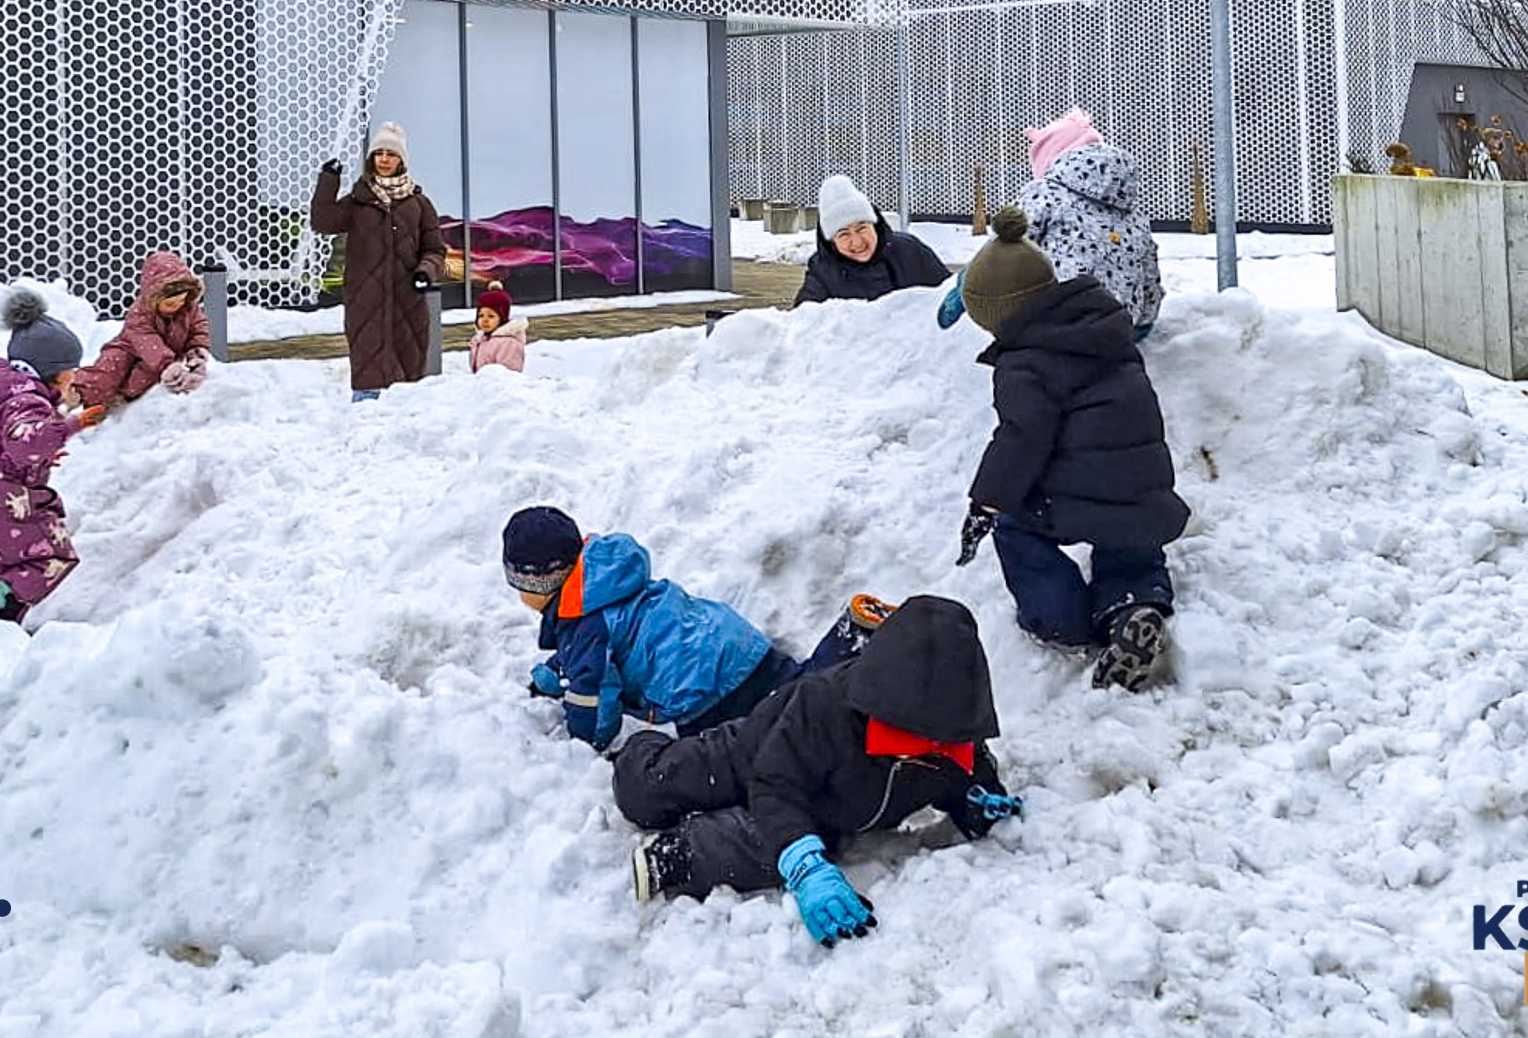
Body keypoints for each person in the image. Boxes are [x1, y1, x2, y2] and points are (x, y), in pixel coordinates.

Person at [613, 595, 1022, 946]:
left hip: (831, 807)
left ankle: (680, 854)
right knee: (646, 791)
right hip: (754, 752)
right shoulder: (825, 704)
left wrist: (978, 803)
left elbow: (969, 777)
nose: (931, 751)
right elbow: (775, 785)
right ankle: (645, 744)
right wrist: (805, 865)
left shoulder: (951, 736)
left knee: (776, 845)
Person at [952, 207, 1191, 693]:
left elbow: (1021, 439)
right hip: (1142, 482)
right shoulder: (1101, 326)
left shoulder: (1023, 364)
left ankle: (1062, 620)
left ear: (1000, 314)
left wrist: (988, 502)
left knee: (1017, 529)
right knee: (1129, 533)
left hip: (1076, 492)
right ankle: (1131, 603)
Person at [502, 506, 889, 751]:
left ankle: (854, 667)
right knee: (796, 684)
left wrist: (584, 743)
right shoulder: (600, 581)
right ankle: (853, 635)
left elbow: (594, 693)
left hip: (706, 688)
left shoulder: (586, 626)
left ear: (541, 583)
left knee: (771, 731)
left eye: (518, 585)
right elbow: (582, 661)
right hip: (730, 642)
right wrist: (550, 677)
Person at [0, 289, 105, 626]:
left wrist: (38, 460)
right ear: (51, 371)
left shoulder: (10, 396)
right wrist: (71, 425)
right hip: (5, 505)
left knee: (16, 568)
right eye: (71, 370)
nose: (75, 377)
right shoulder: (29, 401)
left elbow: (7, 446)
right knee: (51, 558)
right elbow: (25, 440)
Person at [310, 122, 448, 400]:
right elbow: (322, 221)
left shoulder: (419, 205)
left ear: (402, 160)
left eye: (391, 154)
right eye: (379, 153)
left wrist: (425, 272)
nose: (384, 159)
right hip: (366, 304)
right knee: (368, 378)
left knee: (406, 384)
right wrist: (328, 181)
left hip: (407, 304)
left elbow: (435, 250)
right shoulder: (358, 201)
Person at [1016, 108, 1166, 340]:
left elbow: (1007, 246)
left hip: (1058, 320)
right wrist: (1144, 321)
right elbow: (1149, 270)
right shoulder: (1131, 210)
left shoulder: (1044, 193)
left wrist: (968, 286)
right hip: (1121, 324)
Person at [70, 251, 211, 413]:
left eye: (182, 300)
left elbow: (199, 326)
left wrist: (197, 350)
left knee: (143, 380)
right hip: (131, 348)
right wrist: (166, 363)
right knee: (109, 370)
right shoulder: (139, 314)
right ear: (155, 298)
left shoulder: (188, 308)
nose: (177, 305)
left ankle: (122, 397)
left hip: (166, 355)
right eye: (170, 303)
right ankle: (77, 392)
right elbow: (147, 342)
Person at [793, 174, 949, 307]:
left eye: (862, 228)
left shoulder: (910, 252)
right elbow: (804, 325)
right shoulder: (823, 272)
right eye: (844, 234)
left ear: (874, 225)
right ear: (832, 242)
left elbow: (952, 295)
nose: (857, 242)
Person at [466, 281, 526, 374]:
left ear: (502, 319)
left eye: (491, 316)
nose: (485, 320)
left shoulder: (508, 344)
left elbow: (508, 375)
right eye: (481, 315)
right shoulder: (481, 340)